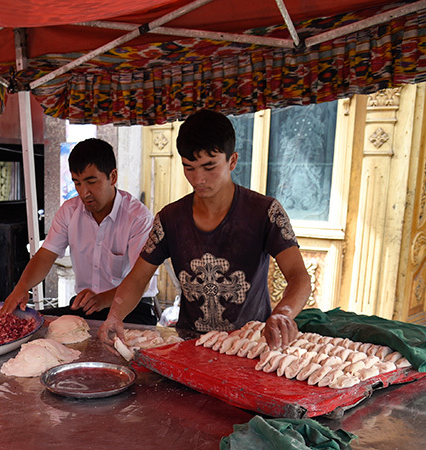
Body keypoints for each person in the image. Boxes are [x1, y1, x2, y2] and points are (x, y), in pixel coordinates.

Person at [99, 109, 311, 350]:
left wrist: (284, 313)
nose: (198, 178)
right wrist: (115, 315)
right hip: (191, 347)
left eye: (209, 167)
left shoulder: (266, 212)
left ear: (232, 161)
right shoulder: (169, 218)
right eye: (189, 167)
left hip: (251, 346)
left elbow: (299, 276)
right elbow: (138, 279)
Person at [1, 138, 158, 324]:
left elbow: (140, 280)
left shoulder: (138, 218)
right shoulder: (69, 211)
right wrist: (22, 287)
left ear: (113, 177)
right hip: (86, 307)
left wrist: (103, 299)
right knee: (33, 325)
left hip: (133, 309)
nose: (84, 192)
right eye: (77, 183)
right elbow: (45, 255)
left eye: (91, 182)